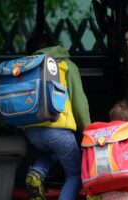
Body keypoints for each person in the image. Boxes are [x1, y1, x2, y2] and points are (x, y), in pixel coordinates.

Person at [24, 33, 91, 200]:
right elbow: (79, 103)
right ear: (56, 46)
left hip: (32, 131)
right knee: (75, 174)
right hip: (58, 130)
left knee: (52, 152)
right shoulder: (66, 65)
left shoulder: (26, 66)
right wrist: (89, 131)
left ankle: (36, 172)